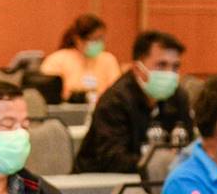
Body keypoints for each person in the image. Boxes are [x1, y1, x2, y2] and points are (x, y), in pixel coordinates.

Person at [72, 30, 192, 174]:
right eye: (161, 65)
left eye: (175, 67)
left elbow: (189, 147)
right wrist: (164, 163)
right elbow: (113, 159)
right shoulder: (114, 101)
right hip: (99, 180)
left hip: (159, 177)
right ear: (137, 69)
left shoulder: (178, 97)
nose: (169, 74)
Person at [37, 13, 120, 103]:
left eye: (101, 38)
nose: (98, 43)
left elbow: (116, 92)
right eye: (94, 39)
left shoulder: (108, 60)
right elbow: (47, 93)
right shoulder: (57, 60)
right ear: (78, 40)